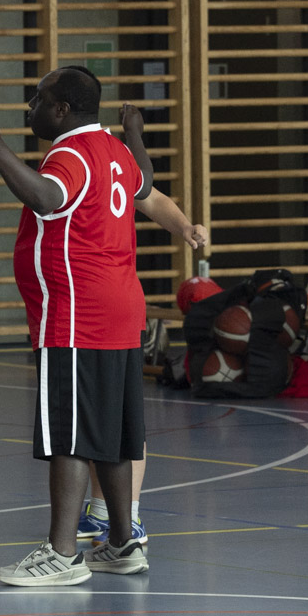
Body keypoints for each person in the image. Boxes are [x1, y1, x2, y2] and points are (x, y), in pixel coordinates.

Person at [0, 66, 150, 586]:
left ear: (62, 109)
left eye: (38, 100)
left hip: (77, 314)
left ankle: (62, 554)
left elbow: (47, 197)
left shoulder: (71, 153)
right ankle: (123, 542)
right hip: (120, 307)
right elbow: (145, 181)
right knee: (110, 434)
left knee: (69, 435)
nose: (31, 108)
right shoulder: (115, 151)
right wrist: (134, 134)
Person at [76, 106, 209, 546]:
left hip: (109, 305)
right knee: (98, 417)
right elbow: (147, 192)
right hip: (87, 309)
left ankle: (128, 517)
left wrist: (184, 225)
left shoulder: (102, 155)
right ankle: (102, 512)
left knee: (122, 420)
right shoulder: (85, 154)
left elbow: (150, 196)